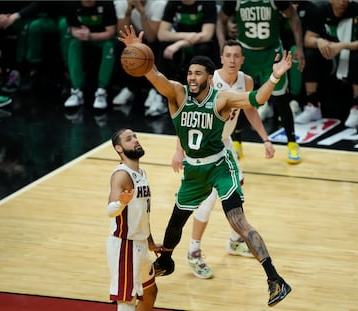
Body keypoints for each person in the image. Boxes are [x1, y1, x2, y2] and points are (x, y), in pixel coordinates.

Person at [119, 25, 292, 307]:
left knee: (237, 219)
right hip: (193, 170)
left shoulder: (221, 99)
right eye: (190, 73)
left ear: (210, 79)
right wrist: (135, 51)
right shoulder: (177, 94)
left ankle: (274, 279)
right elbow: (152, 73)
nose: (192, 77)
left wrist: (275, 75)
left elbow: (257, 99)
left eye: (198, 73)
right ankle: (167, 259)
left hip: (220, 165)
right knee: (176, 222)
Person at [171, 39, 275, 279]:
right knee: (207, 201)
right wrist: (178, 150)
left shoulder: (245, 81)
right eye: (227, 55)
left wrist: (265, 139)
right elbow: (187, 115)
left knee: (236, 190)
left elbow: (251, 109)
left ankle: (234, 240)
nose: (231, 60)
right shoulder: (208, 80)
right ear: (221, 58)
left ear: (242, 60)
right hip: (200, 148)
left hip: (223, 145)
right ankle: (193, 251)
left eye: (236, 56)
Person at [217, 0, 305, 164]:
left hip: (271, 52)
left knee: (280, 98)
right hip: (246, 54)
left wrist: (299, 46)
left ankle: (292, 142)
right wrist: (223, 46)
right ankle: (237, 142)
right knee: (239, 99)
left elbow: (292, 15)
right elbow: (221, 19)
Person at [106, 128, 161, 311]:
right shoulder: (121, 175)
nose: (135, 140)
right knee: (127, 302)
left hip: (141, 243)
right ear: (119, 148)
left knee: (150, 292)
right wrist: (121, 203)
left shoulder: (141, 172)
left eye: (135, 136)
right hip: (125, 246)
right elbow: (110, 210)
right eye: (129, 139)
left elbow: (142, 212)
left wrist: (150, 242)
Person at [297, 0, 358, 129]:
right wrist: (319, 41)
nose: (342, 2)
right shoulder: (320, 10)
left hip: (349, 54)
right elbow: (307, 39)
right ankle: (313, 104)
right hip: (328, 57)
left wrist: (341, 46)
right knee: (309, 53)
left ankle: (357, 106)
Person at [112, 0, 168, 117]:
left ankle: (155, 90)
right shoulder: (121, 3)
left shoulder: (159, 4)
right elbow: (122, 33)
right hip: (134, 38)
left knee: (153, 45)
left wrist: (142, 13)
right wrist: (127, 13)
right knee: (120, 44)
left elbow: (152, 36)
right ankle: (128, 87)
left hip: (152, 38)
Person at [64, 0, 117, 109]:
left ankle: (102, 91)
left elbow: (110, 32)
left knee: (109, 46)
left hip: (102, 40)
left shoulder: (106, 4)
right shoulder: (72, 4)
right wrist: (79, 34)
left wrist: (90, 36)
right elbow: (73, 29)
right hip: (83, 40)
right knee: (73, 44)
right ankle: (76, 90)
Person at [157, 0, 219, 83]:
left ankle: (206, 85)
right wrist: (186, 36)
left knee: (204, 48)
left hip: (200, 42)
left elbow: (207, 35)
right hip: (183, 38)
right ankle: (161, 89)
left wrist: (179, 44)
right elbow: (161, 34)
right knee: (164, 47)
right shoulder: (173, 3)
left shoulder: (207, 2)